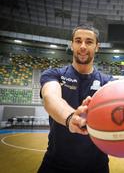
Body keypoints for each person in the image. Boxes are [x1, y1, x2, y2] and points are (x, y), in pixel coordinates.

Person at [38, 24, 113, 173]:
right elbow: (50, 97)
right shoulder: (54, 74)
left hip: (97, 166)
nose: (83, 46)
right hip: (55, 164)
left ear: (97, 46)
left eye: (89, 42)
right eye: (78, 41)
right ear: (72, 45)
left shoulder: (108, 83)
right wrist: (71, 118)